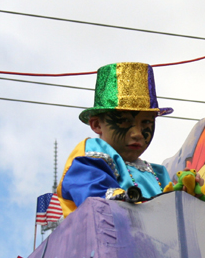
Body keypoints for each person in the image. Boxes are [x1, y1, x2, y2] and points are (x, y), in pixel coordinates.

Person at [57, 62, 173, 217]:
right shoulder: (93, 152)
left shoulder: (159, 173)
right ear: (97, 124)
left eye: (146, 122)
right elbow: (93, 192)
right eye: (125, 121)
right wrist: (121, 198)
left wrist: (188, 193)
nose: (137, 133)